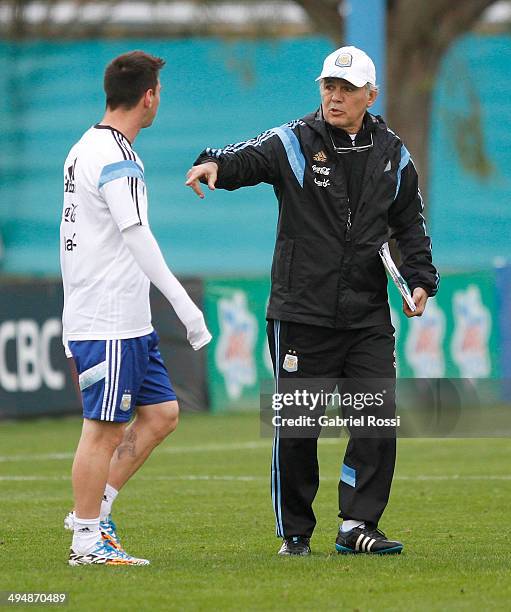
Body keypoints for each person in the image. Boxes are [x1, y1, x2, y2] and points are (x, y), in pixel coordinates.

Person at [186, 46, 439, 556]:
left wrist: (420, 281)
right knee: (298, 431)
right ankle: (296, 534)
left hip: (367, 314)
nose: (335, 96)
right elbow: (247, 156)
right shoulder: (295, 140)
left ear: (371, 94)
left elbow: (410, 227)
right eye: (328, 85)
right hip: (302, 313)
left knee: (375, 421)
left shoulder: (394, 154)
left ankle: (357, 525)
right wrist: (214, 163)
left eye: (346, 88)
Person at [60, 50, 211, 566]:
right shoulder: (115, 157)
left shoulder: (86, 147)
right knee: (102, 429)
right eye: (159, 92)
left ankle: (96, 511)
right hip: (109, 321)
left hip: (125, 318)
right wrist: (186, 307)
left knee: (162, 414)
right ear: (149, 97)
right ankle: (86, 542)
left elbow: (75, 238)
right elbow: (136, 235)